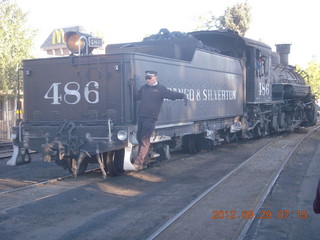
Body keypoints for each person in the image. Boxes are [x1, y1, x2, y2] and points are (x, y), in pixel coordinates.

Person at [133, 70, 187, 171]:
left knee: (145, 140)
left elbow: (172, 95)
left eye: (149, 78)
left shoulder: (161, 89)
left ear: (155, 77)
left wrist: (182, 95)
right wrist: (131, 87)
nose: (147, 80)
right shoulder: (144, 88)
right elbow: (136, 97)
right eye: (146, 78)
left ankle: (138, 162)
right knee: (140, 139)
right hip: (141, 117)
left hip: (150, 118)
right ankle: (143, 163)